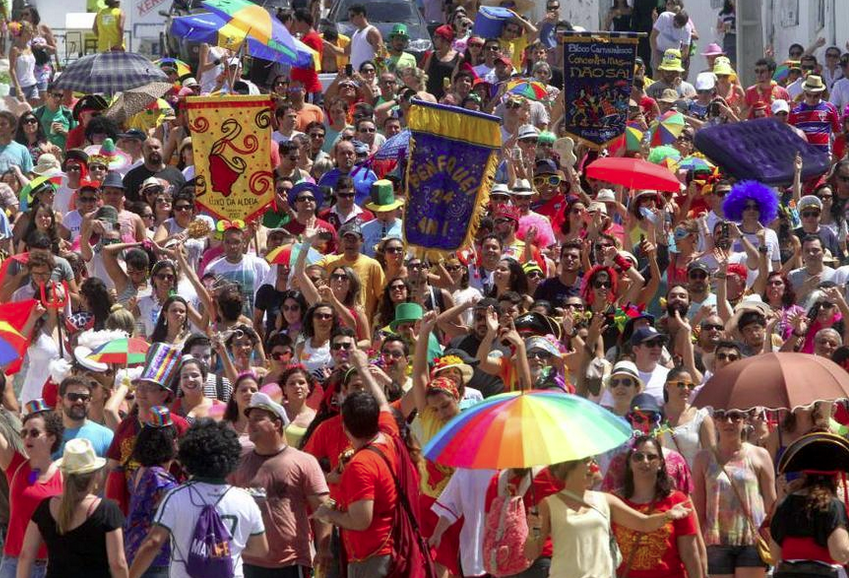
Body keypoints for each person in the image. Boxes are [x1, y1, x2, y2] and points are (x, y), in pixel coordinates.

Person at [128, 420, 268, 578]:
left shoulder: (176, 496)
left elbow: (153, 543)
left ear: (188, 457)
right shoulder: (246, 500)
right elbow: (260, 549)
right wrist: (223, 549)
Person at [524, 455, 693, 578]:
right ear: (570, 467)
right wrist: (534, 531)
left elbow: (644, 523)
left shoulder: (605, 499)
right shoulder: (548, 504)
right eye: (588, 462)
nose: (594, 468)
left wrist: (668, 515)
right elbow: (531, 553)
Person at [229, 392, 330, 577]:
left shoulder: (304, 461)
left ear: (277, 424)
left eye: (258, 419)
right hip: (248, 562)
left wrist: (323, 549)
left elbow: (322, 509)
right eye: (249, 419)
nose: (250, 425)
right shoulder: (238, 464)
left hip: (291, 561)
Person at [18, 438, 127, 578]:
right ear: (95, 475)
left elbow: (25, 556)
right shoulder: (107, 510)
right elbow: (118, 563)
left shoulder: (45, 507)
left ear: (63, 473)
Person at [692, 408, 776, 578]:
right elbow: (698, 508)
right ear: (715, 421)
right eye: (721, 416)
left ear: (745, 421)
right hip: (715, 542)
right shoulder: (703, 458)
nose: (728, 422)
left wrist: (775, 541)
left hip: (752, 540)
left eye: (735, 416)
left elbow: (771, 503)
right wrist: (697, 546)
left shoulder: (760, 455)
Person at [612, 435, 703, 578]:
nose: (645, 461)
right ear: (629, 463)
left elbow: (690, 554)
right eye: (638, 457)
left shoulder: (677, 500)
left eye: (651, 457)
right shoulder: (614, 501)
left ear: (661, 463)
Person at [0, 400, 63, 578]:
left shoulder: (64, 477)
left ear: (52, 438)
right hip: (13, 562)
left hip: (49, 566)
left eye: (34, 433)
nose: (27, 437)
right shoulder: (15, 466)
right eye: (24, 432)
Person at [123, 407, 178, 578]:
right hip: (155, 559)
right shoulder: (160, 479)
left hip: (134, 551)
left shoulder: (140, 471)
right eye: (174, 439)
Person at [55, 376, 114, 459]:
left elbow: (110, 470)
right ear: (60, 400)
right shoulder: (47, 435)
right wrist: (33, 473)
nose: (79, 401)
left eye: (84, 397)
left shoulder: (105, 436)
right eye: (73, 397)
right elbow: (35, 469)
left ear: (90, 400)